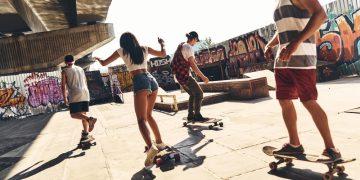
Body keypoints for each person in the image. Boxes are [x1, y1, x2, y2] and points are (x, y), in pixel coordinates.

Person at [264, 0, 341, 160]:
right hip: (283, 61)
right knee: (284, 100)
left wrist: (295, 44)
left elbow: (320, 15)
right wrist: (269, 45)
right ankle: (295, 145)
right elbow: (284, 30)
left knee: (308, 100)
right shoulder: (279, 4)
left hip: (302, 58)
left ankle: (331, 149)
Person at [95, 32, 167, 168]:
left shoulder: (122, 51)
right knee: (148, 115)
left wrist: (99, 59)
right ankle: (159, 142)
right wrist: (162, 43)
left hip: (140, 81)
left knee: (141, 119)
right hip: (152, 80)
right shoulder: (144, 48)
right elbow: (163, 54)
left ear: (123, 43)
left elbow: (105, 63)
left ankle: (151, 147)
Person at [171, 31, 210, 121]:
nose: (195, 43)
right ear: (194, 39)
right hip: (185, 76)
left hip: (178, 76)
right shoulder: (188, 47)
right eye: (196, 41)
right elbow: (192, 64)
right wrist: (203, 77)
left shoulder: (181, 45)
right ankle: (197, 115)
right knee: (199, 94)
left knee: (192, 94)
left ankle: (190, 115)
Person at [61, 55, 97, 144]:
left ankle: (90, 119)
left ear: (65, 62)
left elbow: (63, 86)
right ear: (74, 61)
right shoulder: (80, 69)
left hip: (75, 93)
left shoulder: (64, 71)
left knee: (73, 115)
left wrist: (65, 98)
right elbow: (85, 81)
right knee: (82, 114)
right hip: (85, 92)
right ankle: (85, 133)